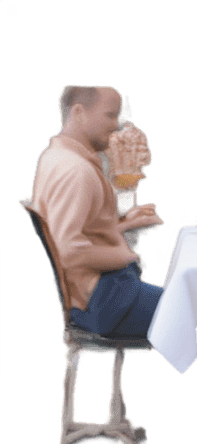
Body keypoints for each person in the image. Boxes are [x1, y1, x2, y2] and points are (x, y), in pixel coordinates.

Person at [30, 84, 164, 337]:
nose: (116, 125)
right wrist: (127, 257)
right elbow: (70, 251)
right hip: (101, 302)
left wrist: (122, 225)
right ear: (79, 113)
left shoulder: (56, 157)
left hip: (95, 296)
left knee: (182, 302)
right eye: (110, 115)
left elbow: (75, 231)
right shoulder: (76, 171)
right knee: (189, 308)